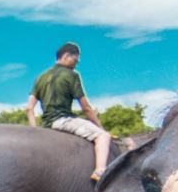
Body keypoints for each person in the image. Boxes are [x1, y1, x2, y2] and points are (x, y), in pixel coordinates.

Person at [26, 42, 113, 181]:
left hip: (46, 124)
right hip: (63, 120)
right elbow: (86, 108)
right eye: (75, 60)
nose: (76, 64)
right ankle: (100, 171)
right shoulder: (72, 75)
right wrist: (101, 128)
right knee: (103, 137)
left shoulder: (40, 77)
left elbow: (29, 108)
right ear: (66, 56)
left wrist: (34, 130)